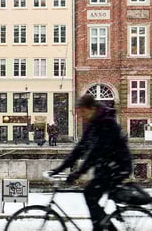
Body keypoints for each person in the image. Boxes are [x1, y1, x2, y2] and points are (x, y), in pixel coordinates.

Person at [49, 94, 132, 231]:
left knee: (90, 194)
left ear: (92, 108)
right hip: (107, 166)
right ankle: (100, 227)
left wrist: (78, 173)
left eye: (83, 111)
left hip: (117, 166)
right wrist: (60, 168)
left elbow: (95, 153)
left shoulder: (106, 122)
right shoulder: (94, 123)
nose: (81, 115)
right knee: (91, 196)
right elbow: (81, 148)